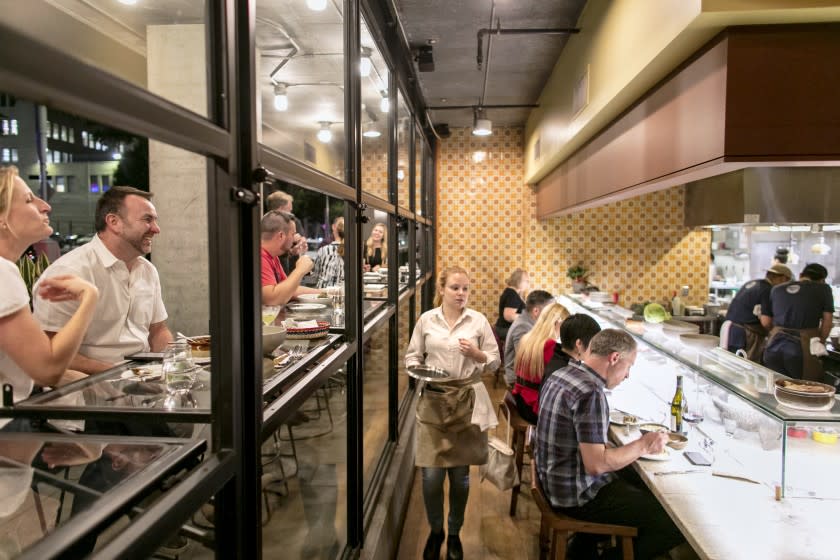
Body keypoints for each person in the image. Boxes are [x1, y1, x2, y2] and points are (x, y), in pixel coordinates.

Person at [535, 329, 685, 559]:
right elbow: (596, 465)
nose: (627, 376)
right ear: (614, 358)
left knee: (634, 484)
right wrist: (643, 444)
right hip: (573, 495)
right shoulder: (591, 393)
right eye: (629, 367)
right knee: (673, 521)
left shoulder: (562, 374)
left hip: (552, 480)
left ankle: (582, 548)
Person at [405, 266, 500, 560]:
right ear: (442, 290)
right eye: (455, 288)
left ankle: (455, 534)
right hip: (433, 401)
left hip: (467, 401)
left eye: (465, 289)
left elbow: (495, 362)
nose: (461, 294)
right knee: (431, 477)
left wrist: (477, 355)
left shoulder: (478, 321)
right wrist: (419, 369)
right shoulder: (426, 320)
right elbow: (411, 356)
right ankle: (436, 532)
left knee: (460, 478)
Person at [0, 166, 99, 425]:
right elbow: (48, 370)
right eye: (29, 200)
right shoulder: (3, 272)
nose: (45, 206)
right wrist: (89, 298)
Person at [33, 185, 168, 375]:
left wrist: (172, 364)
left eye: (155, 220)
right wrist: (121, 375)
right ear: (114, 222)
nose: (156, 229)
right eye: (147, 219)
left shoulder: (147, 270)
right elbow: (49, 350)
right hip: (87, 392)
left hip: (141, 384)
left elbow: (158, 331)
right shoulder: (69, 271)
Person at [762, 263, 834, 380]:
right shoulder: (823, 289)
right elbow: (828, 321)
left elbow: (766, 321)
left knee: (775, 386)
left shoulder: (776, 289)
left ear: (801, 275)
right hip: (802, 348)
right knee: (803, 389)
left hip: (773, 346)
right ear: (822, 280)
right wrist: (820, 341)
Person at [511, 303, 570, 424]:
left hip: (521, 400)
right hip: (534, 408)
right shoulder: (551, 346)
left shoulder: (527, 338)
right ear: (558, 322)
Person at [724, 264, 792, 362]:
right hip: (745, 334)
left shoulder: (753, 283)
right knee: (746, 366)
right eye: (787, 281)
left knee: (732, 364)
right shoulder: (767, 290)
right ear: (782, 278)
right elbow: (766, 322)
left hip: (731, 329)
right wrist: (773, 334)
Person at [260, 210, 319, 305]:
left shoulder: (272, 256)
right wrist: (300, 270)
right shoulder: (260, 257)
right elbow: (272, 299)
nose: (295, 238)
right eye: (293, 234)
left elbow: (289, 290)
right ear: (281, 236)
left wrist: (326, 293)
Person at [503, 289, 554, 386]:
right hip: (518, 380)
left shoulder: (529, 322)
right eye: (550, 311)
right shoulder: (523, 327)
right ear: (536, 311)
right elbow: (526, 361)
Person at [544, 313, 602, 379]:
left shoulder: (553, 355)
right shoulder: (569, 374)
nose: (594, 349)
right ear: (579, 343)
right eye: (593, 344)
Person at [266, 190, 307, 273]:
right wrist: (291, 241)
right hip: (274, 270)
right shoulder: (264, 224)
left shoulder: (294, 221)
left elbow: (302, 239)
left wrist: (301, 243)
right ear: (281, 209)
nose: (291, 213)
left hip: (290, 269)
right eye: (289, 210)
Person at [494, 268, 529, 341]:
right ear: (519, 280)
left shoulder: (511, 292)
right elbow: (509, 316)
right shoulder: (512, 294)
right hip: (505, 330)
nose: (528, 284)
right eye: (526, 281)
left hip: (503, 329)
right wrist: (527, 317)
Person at [312, 216, 344, 289]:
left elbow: (315, 275)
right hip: (345, 293)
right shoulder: (353, 252)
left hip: (324, 292)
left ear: (334, 230)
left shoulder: (323, 250)